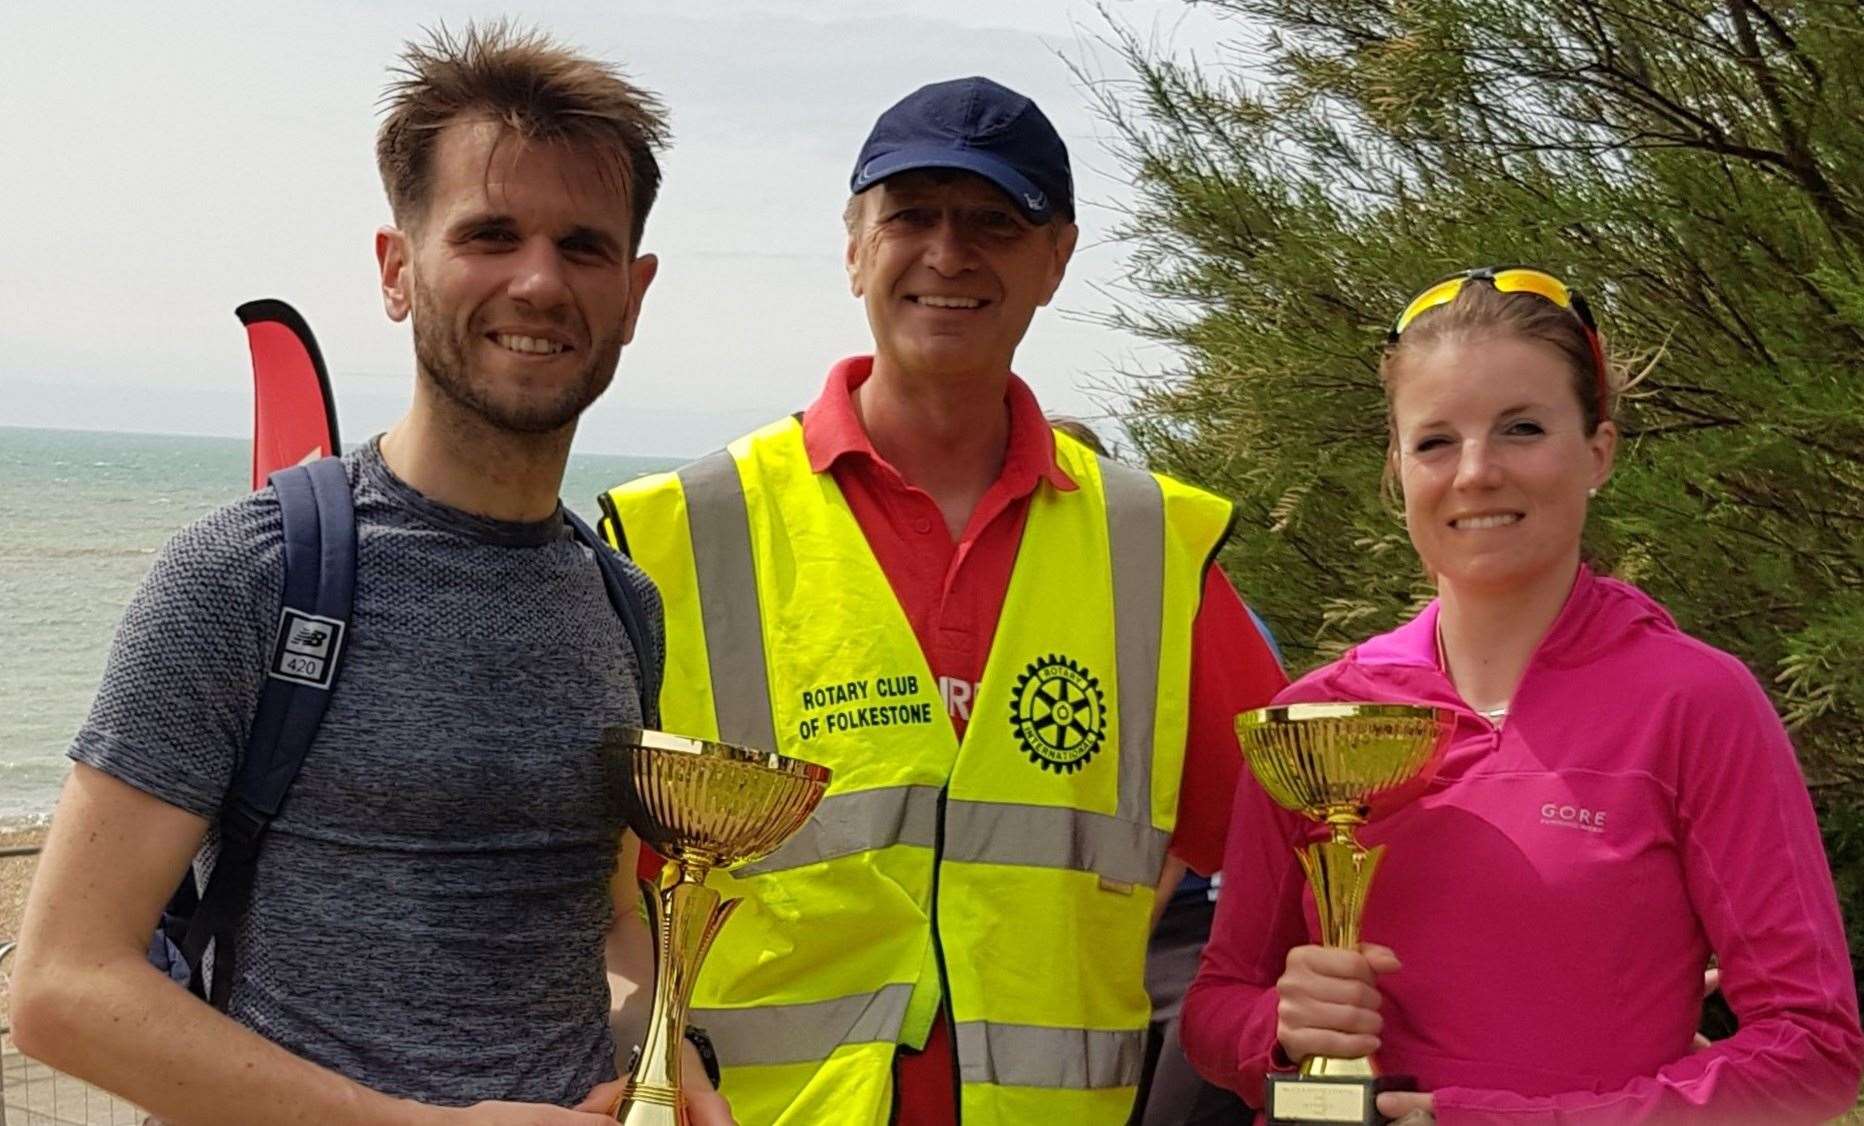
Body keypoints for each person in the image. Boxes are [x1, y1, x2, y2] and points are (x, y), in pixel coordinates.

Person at [10, 23, 730, 1125]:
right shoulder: (249, 575)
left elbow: (610, 926)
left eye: (583, 246)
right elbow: (61, 988)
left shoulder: (620, 604)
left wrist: (666, 1059)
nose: (539, 281)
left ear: (632, 293)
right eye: (490, 234)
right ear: (398, 270)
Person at [597, 77, 1287, 1125]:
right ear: (853, 243)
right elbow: (563, 889)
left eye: (993, 224)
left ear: (1055, 258)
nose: (948, 254)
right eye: (911, 215)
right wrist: (638, 1039)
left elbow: (1284, 846)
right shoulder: (674, 533)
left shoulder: (1158, 548)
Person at [1180, 265, 1864, 1123]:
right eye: (1435, 442)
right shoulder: (1319, 718)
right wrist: (1277, 1025)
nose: (1475, 473)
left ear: (1598, 453)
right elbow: (1213, 1007)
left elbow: (1814, 1050)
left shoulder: (1696, 702)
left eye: (1522, 428)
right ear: (1397, 471)